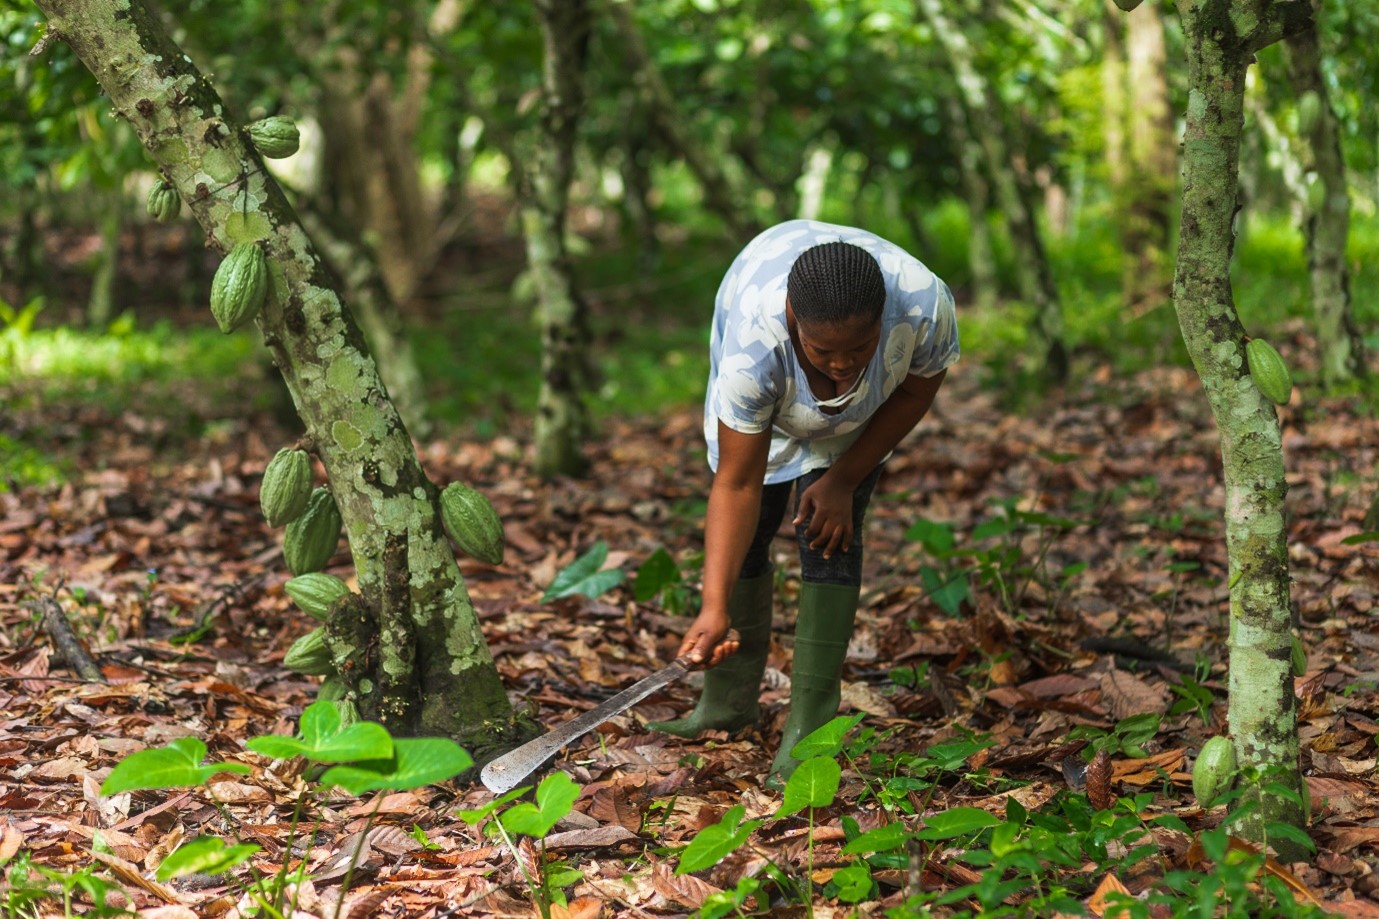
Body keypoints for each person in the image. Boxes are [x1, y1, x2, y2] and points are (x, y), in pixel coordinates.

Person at [648, 219, 960, 787]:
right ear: (793, 318)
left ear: (883, 322)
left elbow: (916, 389)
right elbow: (737, 484)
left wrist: (843, 479)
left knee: (830, 536)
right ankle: (726, 704)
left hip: (860, 413)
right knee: (754, 525)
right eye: (823, 351)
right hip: (765, 375)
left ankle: (809, 735)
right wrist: (713, 605)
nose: (840, 365)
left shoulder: (922, 306)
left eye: (856, 350)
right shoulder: (754, 345)